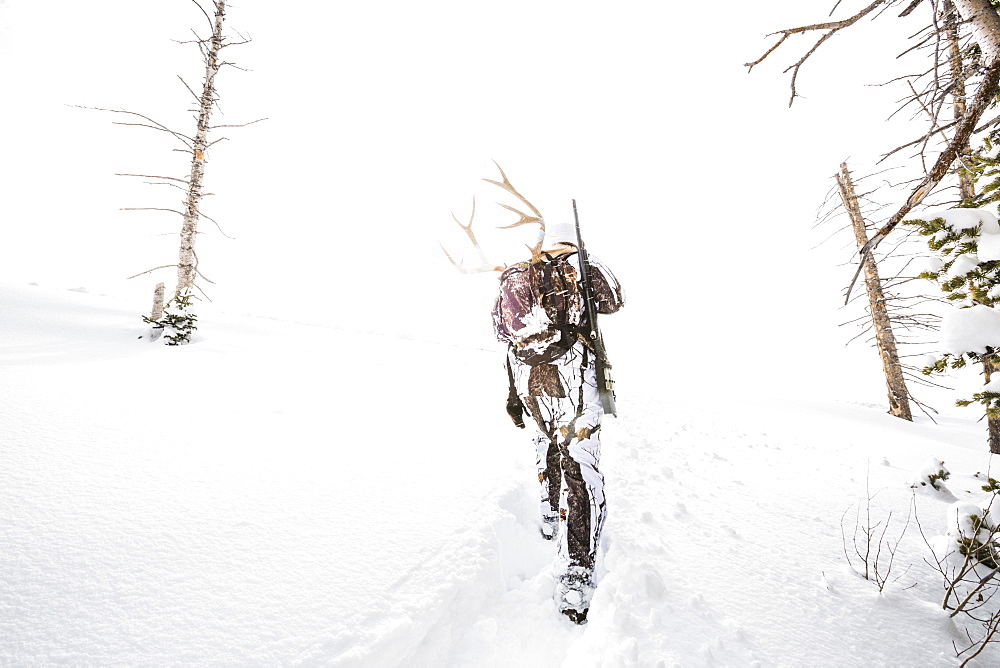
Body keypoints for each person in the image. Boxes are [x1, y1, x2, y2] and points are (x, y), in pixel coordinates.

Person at [492, 221, 624, 624]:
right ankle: (576, 573)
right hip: (573, 378)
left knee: (545, 442)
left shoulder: (518, 273)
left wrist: (514, 394)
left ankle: (551, 514)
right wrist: (585, 261)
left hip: (530, 378)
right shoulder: (579, 266)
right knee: (581, 467)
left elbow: (501, 331)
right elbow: (614, 300)